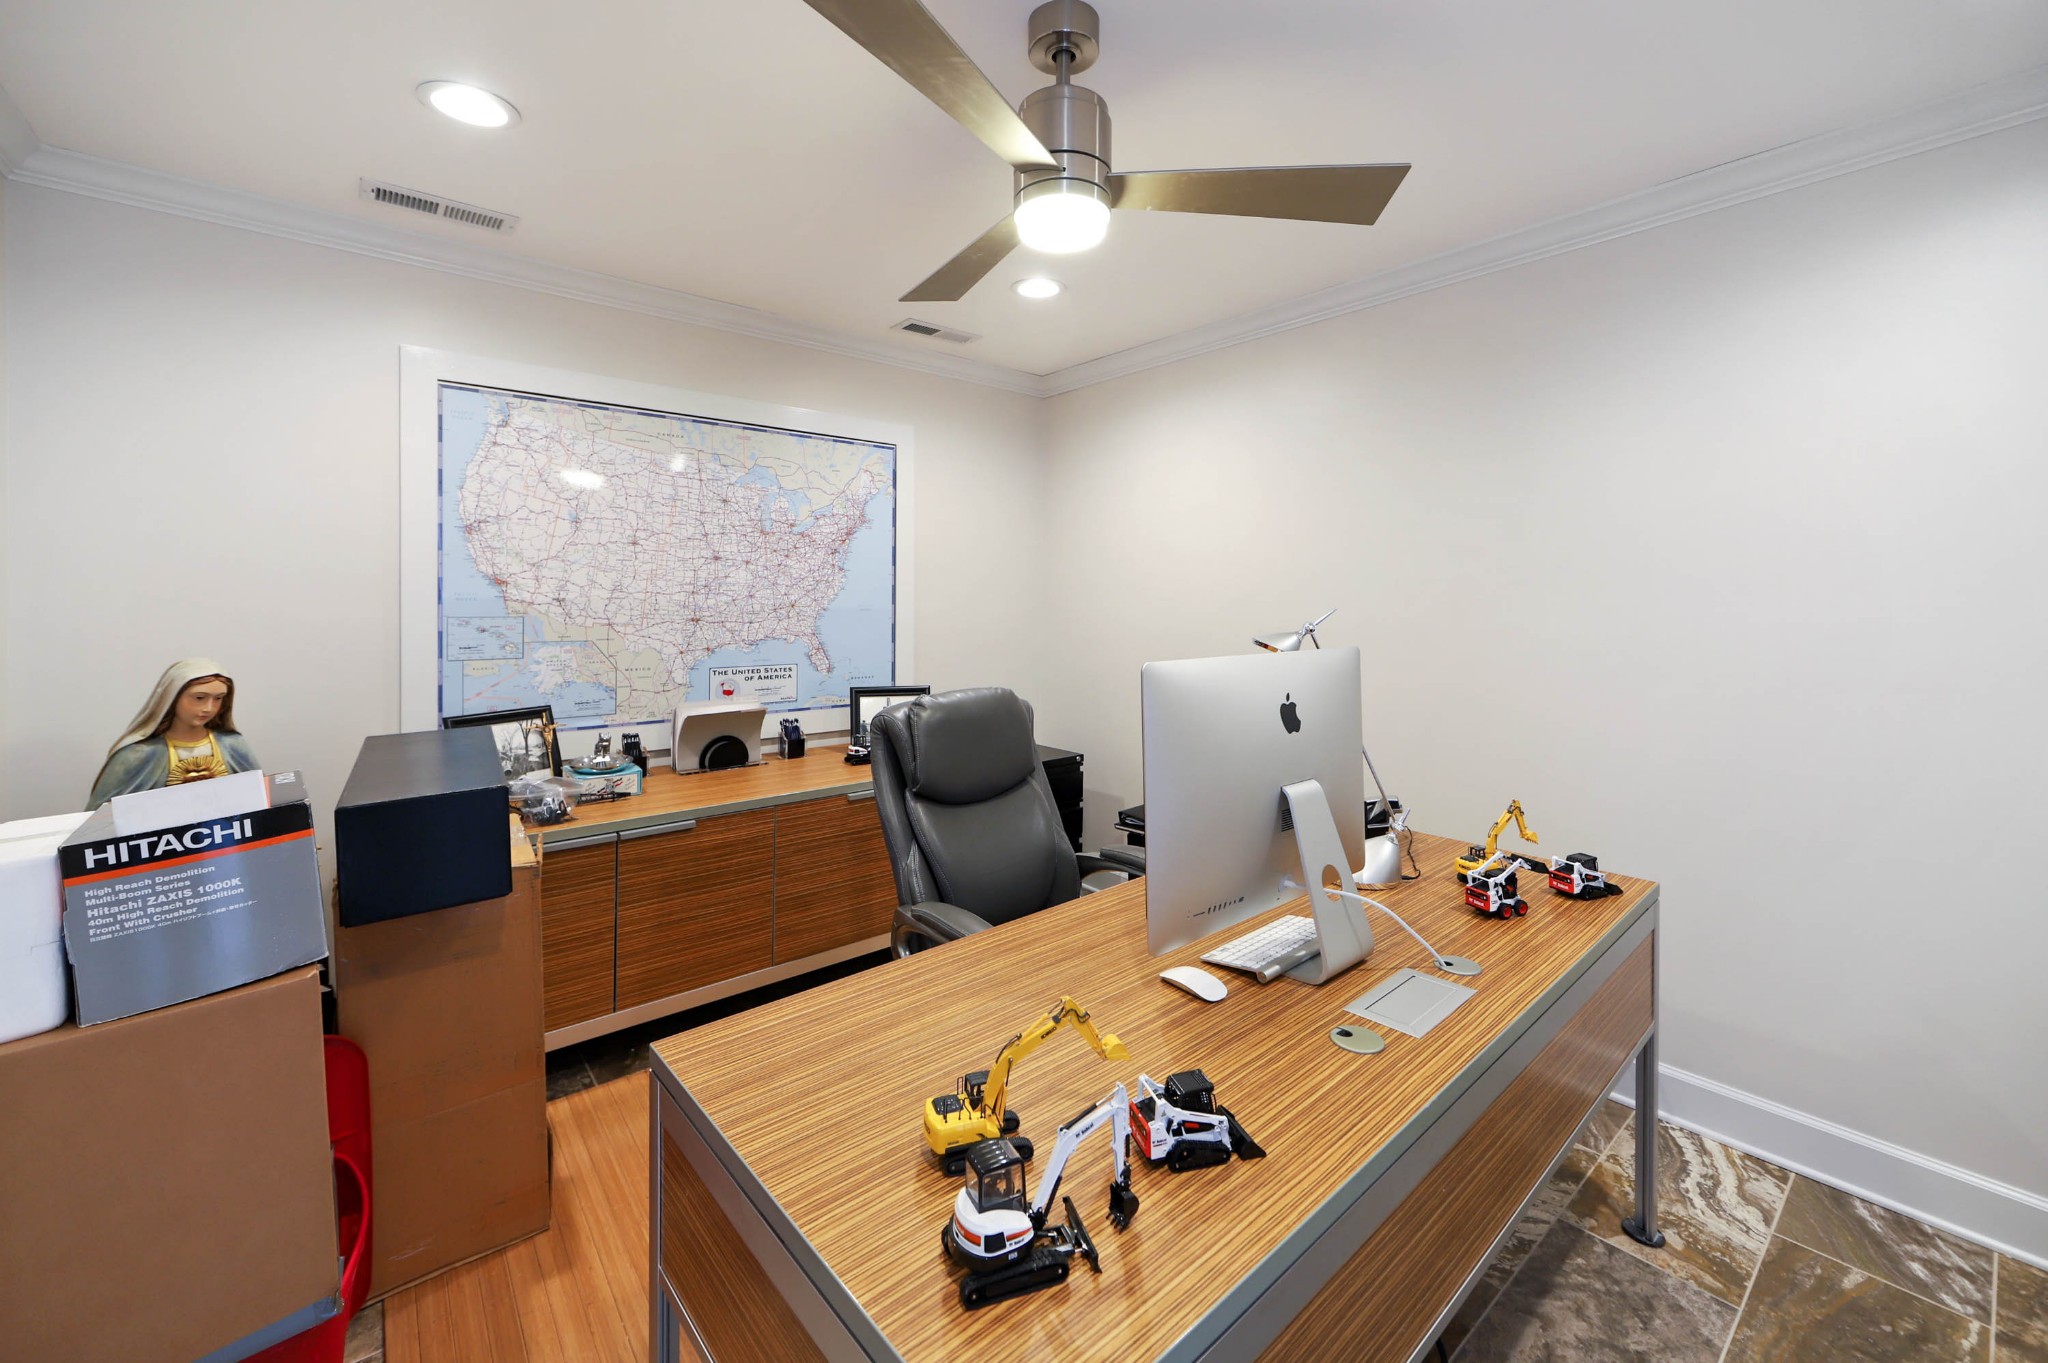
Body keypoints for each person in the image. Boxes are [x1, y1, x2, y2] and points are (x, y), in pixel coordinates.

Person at [88, 658, 261, 808]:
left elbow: (258, 798)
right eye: (199, 698)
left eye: (218, 698)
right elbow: (100, 818)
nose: (209, 708)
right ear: (172, 697)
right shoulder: (139, 754)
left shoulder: (233, 745)